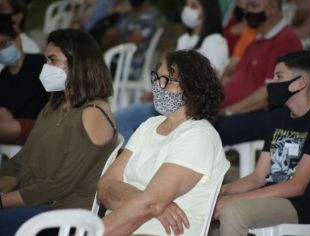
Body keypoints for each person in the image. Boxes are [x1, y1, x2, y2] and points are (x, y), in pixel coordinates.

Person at [98, 50, 230, 236]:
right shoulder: (150, 125)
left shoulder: (199, 136)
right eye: (157, 78)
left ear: (192, 88)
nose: (158, 86)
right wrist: (148, 202)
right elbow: (105, 186)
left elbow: (150, 204)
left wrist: (96, 231)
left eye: (167, 80)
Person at [0, 29, 119, 235]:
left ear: (78, 63)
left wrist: (3, 201)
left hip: (64, 216)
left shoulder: (93, 113)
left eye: (53, 60)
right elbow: (22, 159)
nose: (46, 67)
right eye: (46, 60)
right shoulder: (55, 105)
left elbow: (59, 185)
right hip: (38, 202)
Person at [213, 50, 310, 236]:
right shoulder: (278, 117)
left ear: (301, 82)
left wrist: (235, 199)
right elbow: (258, 177)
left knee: (233, 212)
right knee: (207, 201)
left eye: (279, 76)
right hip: (271, 195)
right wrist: (222, 190)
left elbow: (297, 186)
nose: (272, 83)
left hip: (300, 205)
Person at [114, 0, 229, 143]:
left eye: (193, 6)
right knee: (119, 119)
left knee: (124, 119)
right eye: (187, 5)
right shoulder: (185, 39)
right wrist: (155, 92)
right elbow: (169, 74)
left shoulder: (215, 42)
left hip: (188, 108)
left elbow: (209, 83)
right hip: (168, 102)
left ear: (207, 11)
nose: (188, 10)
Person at [214, 0, 303, 146]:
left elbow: (270, 94)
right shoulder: (257, 39)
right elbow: (233, 77)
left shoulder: (285, 40)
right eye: (247, 6)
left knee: (208, 129)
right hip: (239, 112)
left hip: (266, 115)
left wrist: (229, 111)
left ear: (272, 8)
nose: (247, 11)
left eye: (253, 6)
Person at [0, 22, 47, 145]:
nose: (2, 50)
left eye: (5, 43)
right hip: (17, 126)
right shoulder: (4, 75)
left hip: (41, 124)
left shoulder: (38, 63)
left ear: (18, 40)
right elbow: (3, 110)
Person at [100, 0, 158, 80]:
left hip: (129, 66)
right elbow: (104, 42)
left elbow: (131, 46)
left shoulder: (149, 19)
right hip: (113, 61)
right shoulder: (126, 15)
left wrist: (114, 40)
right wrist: (118, 40)